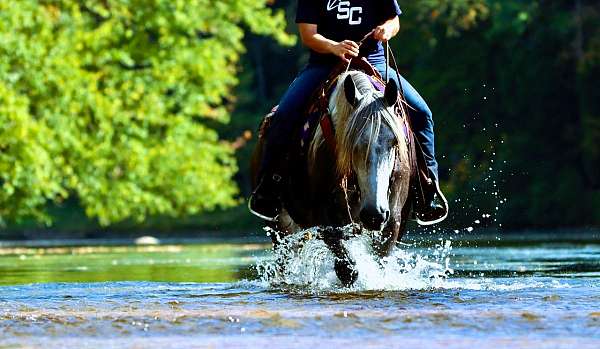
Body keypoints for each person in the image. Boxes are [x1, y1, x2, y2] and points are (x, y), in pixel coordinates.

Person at [249, 0, 446, 224]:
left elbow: (394, 21)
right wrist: (334, 46)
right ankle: (269, 187)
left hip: (374, 62)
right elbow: (308, 35)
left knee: (421, 113)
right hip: (323, 65)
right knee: (283, 115)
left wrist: (386, 30)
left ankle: (427, 188)